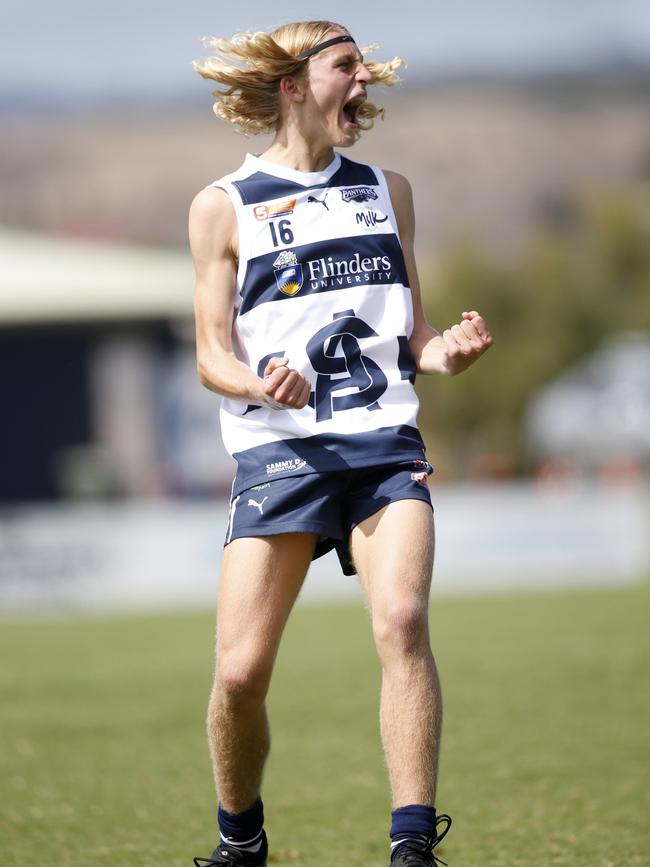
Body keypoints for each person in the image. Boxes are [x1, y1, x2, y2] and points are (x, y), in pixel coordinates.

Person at [189, 20, 492, 867]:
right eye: (346, 68)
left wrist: (448, 351)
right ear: (292, 85)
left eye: (364, 68)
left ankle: (411, 847)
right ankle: (240, 838)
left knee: (402, 620)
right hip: (280, 454)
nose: (365, 84)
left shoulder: (387, 190)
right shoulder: (223, 206)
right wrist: (259, 382)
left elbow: (418, 340)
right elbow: (212, 353)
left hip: (385, 445)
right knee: (242, 674)